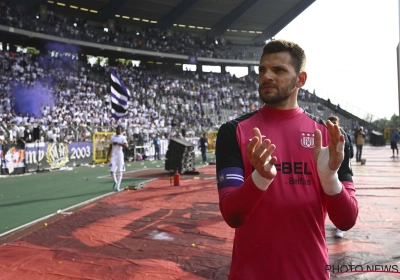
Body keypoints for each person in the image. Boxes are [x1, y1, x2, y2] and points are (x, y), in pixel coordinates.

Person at [215, 39, 358, 279]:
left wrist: (329, 177)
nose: (266, 76)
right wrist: (259, 178)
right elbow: (232, 215)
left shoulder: (329, 136)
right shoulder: (233, 131)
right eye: (262, 70)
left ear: (300, 80)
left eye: (278, 70)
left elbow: (346, 220)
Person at [327, 115, 354, 238]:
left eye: (335, 123)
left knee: (341, 203)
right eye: (331, 123)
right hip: (327, 171)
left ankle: (339, 227)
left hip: (341, 173)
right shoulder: (323, 134)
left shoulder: (344, 136)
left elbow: (351, 154)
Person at [107, 125, 128, 191]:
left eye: (119, 129)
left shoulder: (122, 137)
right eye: (117, 129)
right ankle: (115, 182)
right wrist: (108, 155)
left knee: (120, 171)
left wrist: (119, 143)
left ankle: (118, 186)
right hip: (113, 155)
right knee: (112, 170)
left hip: (120, 156)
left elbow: (126, 146)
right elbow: (110, 146)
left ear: (121, 130)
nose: (118, 130)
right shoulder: (112, 137)